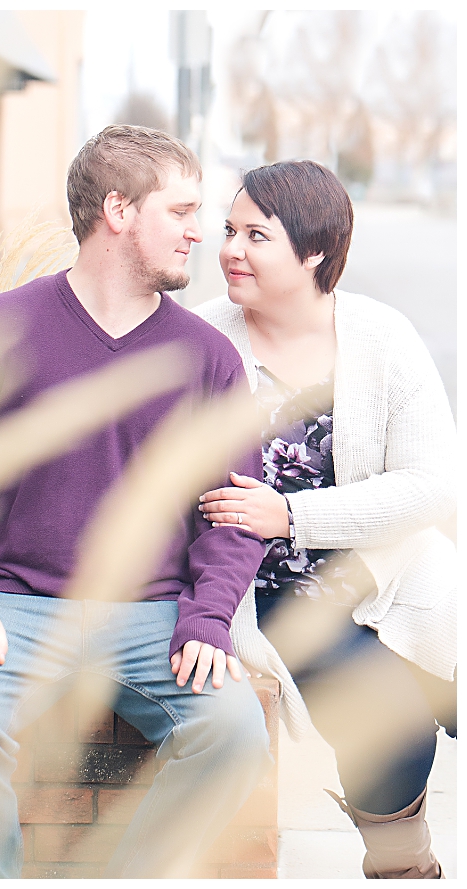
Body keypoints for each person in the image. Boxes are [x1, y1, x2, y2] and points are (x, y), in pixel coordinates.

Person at [0, 125, 273, 879]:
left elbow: (231, 512)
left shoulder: (206, 357)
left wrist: (207, 615)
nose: (198, 232)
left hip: (153, 616)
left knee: (234, 732)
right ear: (117, 209)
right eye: (179, 212)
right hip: (12, 610)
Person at [195, 160, 457, 879]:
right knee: (393, 723)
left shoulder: (381, 336)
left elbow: (433, 484)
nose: (229, 249)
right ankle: (405, 863)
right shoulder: (200, 340)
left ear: (313, 251)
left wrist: (288, 513)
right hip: (264, 590)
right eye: (227, 230)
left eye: (255, 234)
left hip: (382, 569)